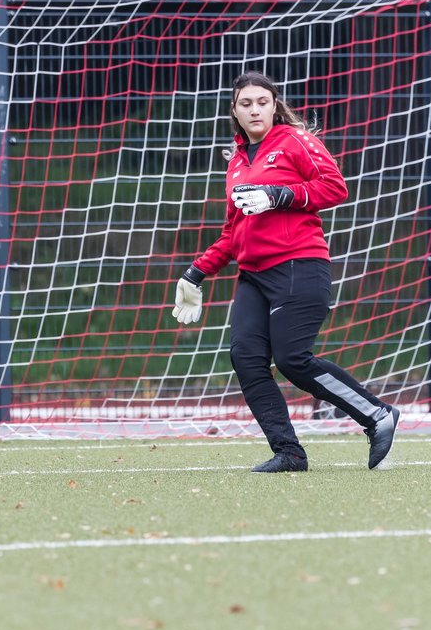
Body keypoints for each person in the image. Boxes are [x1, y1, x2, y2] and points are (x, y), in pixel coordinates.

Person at [170, 72, 400, 473]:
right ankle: (289, 453)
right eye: (246, 103)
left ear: (274, 105)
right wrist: (195, 272)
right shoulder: (238, 163)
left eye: (262, 101)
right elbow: (233, 232)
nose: (255, 109)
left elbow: (335, 187)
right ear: (235, 111)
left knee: (293, 359)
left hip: (299, 264)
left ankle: (377, 415)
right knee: (245, 358)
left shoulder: (295, 141)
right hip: (253, 276)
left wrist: (280, 194)